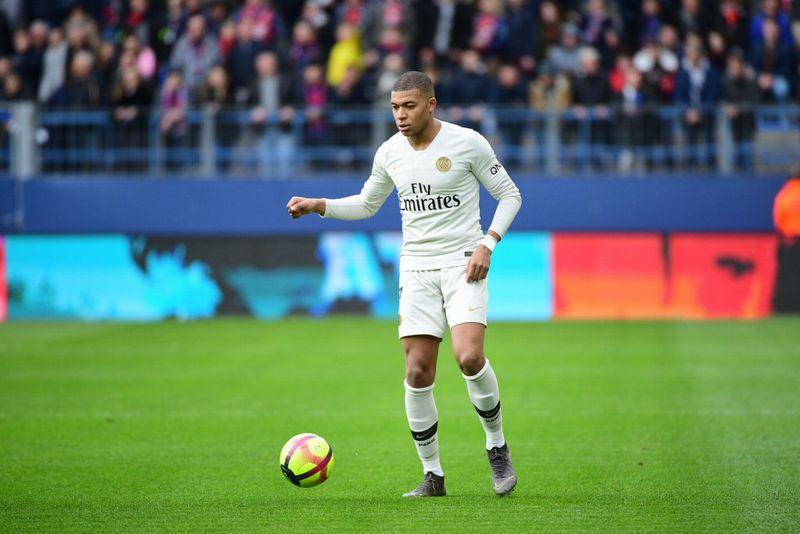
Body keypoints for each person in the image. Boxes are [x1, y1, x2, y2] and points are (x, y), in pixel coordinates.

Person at [286, 71, 522, 498]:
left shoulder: (467, 142)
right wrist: (319, 205)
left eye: (409, 106)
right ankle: (433, 476)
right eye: (395, 107)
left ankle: (496, 447)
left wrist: (487, 244)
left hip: (463, 262)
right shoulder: (389, 152)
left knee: (469, 357)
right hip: (416, 268)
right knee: (417, 370)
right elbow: (367, 204)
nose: (400, 115)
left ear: (431, 104)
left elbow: (510, 195)